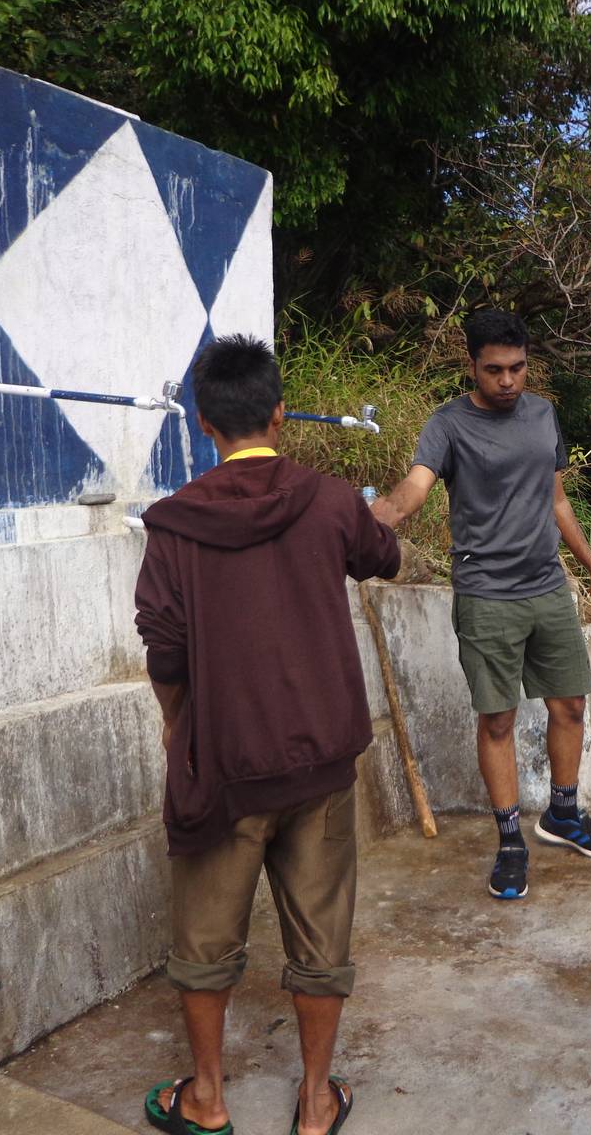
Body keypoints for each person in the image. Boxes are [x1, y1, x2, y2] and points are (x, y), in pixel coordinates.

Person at [135, 335, 399, 1135]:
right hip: (320, 762)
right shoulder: (327, 501)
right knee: (322, 940)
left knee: (205, 940)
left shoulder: (175, 525)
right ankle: (317, 1102)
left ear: (205, 423)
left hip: (223, 768)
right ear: (280, 413)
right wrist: (362, 514)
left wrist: (184, 729)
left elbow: (166, 649)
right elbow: (381, 553)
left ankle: (208, 1099)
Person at [371, 310, 591, 901]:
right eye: (495, 370)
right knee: (499, 719)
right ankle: (510, 841)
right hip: (485, 592)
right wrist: (383, 514)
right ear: (472, 366)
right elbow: (416, 486)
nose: (508, 381)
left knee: (569, 705)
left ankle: (563, 813)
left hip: (547, 587)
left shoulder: (542, 415)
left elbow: (555, 497)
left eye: (518, 368)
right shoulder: (448, 424)